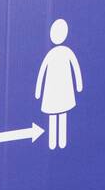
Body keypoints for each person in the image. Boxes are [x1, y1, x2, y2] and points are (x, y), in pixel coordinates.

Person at [34, 18, 83, 150]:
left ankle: (60, 141)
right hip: (52, 90)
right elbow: (42, 73)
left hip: (63, 89)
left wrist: (79, 85)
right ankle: (53, 142)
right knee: (54, 115)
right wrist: (38, 92)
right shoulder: (52, 54)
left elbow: (75, 69)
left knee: (61, 115)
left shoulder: (66, 52)